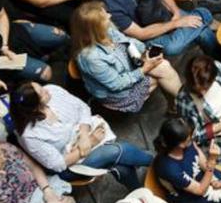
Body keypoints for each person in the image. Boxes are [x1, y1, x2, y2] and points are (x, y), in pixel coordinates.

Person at [12, 81, 152, 190]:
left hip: (86, 136)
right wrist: (89, 143)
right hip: (70, 163)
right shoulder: (29, 135)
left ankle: (139, 190)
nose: (47, 90)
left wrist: (84, 135)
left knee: (120, 166)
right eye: (42, 93)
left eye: (41, 87)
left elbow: (83, 108)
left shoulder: (53, 91)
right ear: (34, 107)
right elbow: (58, 164)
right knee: (118, 151)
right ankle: (157, 162)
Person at [71, 0, 184, 113]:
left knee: (163, 67)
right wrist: (144, 69)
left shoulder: (108, 31)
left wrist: (144, 54)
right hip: (120, 94)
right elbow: (117, 84)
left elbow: (130, 42)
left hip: (130, 69)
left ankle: (177, 106)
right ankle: (181, 106)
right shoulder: (91, 57)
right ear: (95, 29)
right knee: (164, 72)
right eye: (104, 17)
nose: (109, 16)